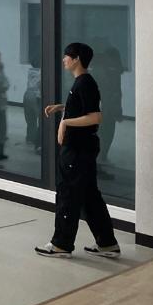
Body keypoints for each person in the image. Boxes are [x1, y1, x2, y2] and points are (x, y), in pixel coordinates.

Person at [35, 42, 120, 259]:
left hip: (77, 149)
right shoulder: (82, 82)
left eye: (67, 56)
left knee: (68, 195)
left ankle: (61, 245)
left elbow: (95, 116)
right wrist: (62, 108)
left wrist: (65, 123)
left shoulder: (85, 82)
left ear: (77, 59)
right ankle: (107, 244)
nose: (64, 59)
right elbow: (84, 107)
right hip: (82, 149)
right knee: (89, 196)